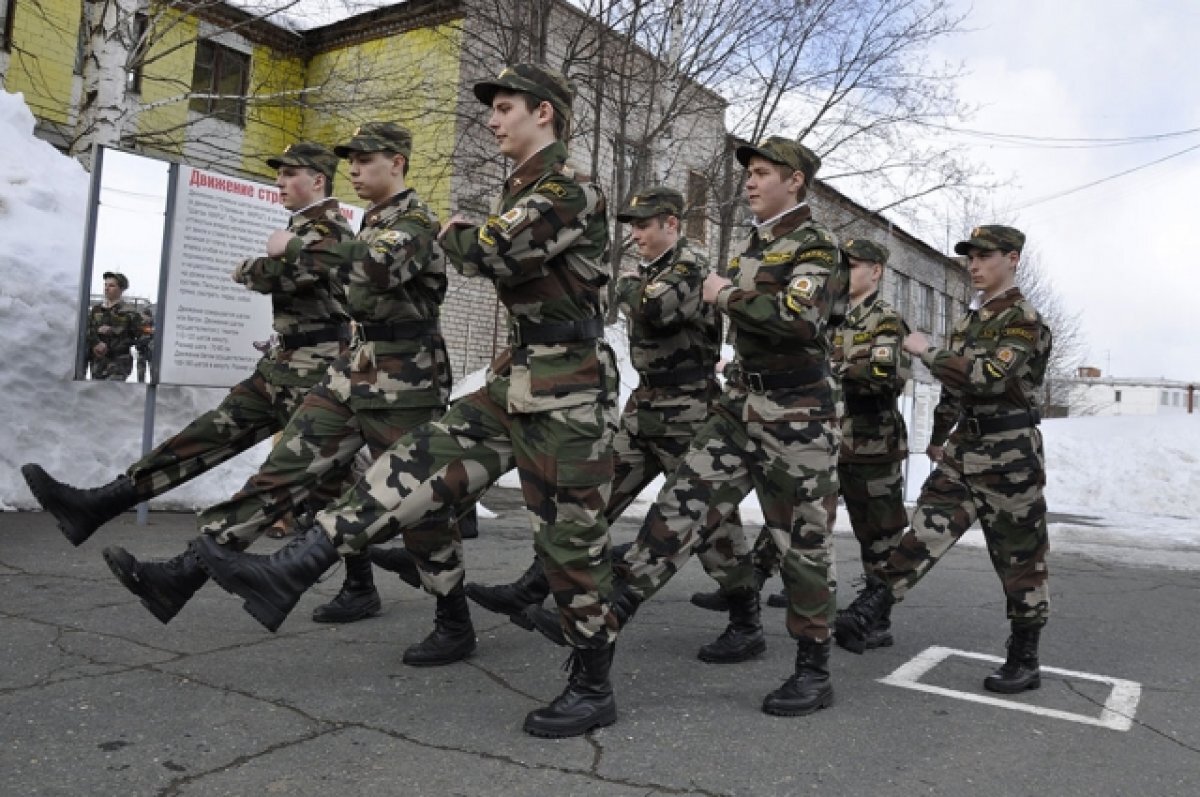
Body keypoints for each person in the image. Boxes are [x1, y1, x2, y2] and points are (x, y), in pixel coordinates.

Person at [191, 64, 622, 738]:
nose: (491, 119)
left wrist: (458, 230)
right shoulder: (525, 188)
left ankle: (593, 682)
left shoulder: (572, 190)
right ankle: (294, 567)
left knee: (568, 545)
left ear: (544, 113)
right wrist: (465, 232)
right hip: (519, 377)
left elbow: (492, 253)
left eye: (504, 107)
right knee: (411, 462)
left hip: (571, 391)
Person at [102, 124, 466, 653]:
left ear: (398, 162)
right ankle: (184, 571)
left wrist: (292, 247)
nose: (355, 170)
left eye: (365, 160)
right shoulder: (368, 224)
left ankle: (453, 618)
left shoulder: (414, 221)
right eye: (351, 161)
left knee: (418, 503)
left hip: (407, 377)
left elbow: (378, 268)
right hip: (355, 366)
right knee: (286, 465)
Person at [524, 136, 849, 718]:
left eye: (762, 173)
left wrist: (728, 295)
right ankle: (604, 625)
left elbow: (797, 323)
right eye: (748, 173)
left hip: (798, 417)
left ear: (795, 180)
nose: (749, 182)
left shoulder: (816, 246)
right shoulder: (756, 243)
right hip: (738, 410)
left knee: (802, 547)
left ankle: (812, 668)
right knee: (676, 513)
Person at [460, 185, 756, 661]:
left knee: (708, 523)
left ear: (672, 224)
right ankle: (532, 587)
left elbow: (650, 310)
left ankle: (747, 619)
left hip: (689, 411)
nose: (635, 234)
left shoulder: (691, 264)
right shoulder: (659, 271)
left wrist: (628, 286)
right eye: (632, 225)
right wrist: (637, 285)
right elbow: (641, 301)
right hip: (646, 406)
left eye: (644, 225)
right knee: (591, 500)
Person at [22, 142, 353, 546]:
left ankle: (357, 581)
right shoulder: (303, 226)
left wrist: (253, 265)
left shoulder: (330, 226)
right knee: (210, 434)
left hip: (316, 366)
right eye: (278, 173)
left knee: (325, 477)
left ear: (317, 180)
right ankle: (99, 504)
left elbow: (287, 275)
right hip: (283, 361)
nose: (278, 181)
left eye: (289, 174)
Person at [833, 224, 1053, 696]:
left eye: (984, 256)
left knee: (1020, 561)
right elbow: (956, 390)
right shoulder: (969, 322)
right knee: (920, 537)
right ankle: (869, 612)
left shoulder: (1022, 319)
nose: (973, 265)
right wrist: (937, 437)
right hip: (964, 454)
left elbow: (989, 377)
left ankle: (1024, 657)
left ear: (1012, 258)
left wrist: (926, 350)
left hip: (1010, 458)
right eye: (969, 257)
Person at [692, 237, 912, 652]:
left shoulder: (885, 320)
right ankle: (756, 587)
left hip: (868, 442)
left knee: (877, 533)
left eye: (856, 265)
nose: (845, 272)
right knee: (794, 517)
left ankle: (876, 617)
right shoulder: (830, 310)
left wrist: (828, 364)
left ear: (876, 271)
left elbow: (885, 375)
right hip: (816, 430)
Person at [86, 271, 139, 381]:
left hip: (118, 363)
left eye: (111, 285)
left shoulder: (130, 312)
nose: (106, 288)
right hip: (98, 363)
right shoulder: (96, 310)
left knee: (112, 394)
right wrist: (96, 342)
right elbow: (87, 329)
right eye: (105, 285)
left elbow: (139, 335)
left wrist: (115, 331)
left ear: (121, 289)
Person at [134, 305, 155, 383]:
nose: (144, 318)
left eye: (145, 316)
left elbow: (153, 331)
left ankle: (153, 384)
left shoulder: (153, 324)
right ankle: (140, 384)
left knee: (152, 369)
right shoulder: (139, 324)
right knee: (140, 370)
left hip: (151, 350)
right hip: (142, 350)